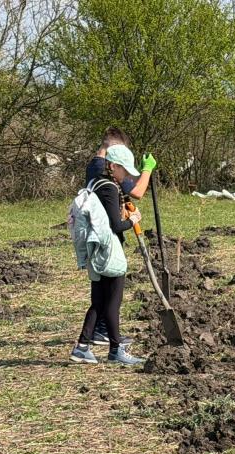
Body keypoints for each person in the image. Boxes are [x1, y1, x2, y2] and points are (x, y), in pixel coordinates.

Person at [70, 144, 145, 365]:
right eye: (124, 170)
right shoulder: (109, 188)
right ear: (112, 166)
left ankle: (81, 348)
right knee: (113, 301)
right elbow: (116, 225)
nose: (127, 175)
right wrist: (133, 219)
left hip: (95, 249)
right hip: (108, 252)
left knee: (99, 302)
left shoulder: (94, 182)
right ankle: (116, 350)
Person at [86, 127, 157, 347]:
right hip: (108, 236)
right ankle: (105, 333)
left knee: (102, 291)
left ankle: (95, 334)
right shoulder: (104, 169)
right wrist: (147, 170)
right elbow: (137, 192)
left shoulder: (94, 165)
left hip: (103, 233)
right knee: (110, 290)